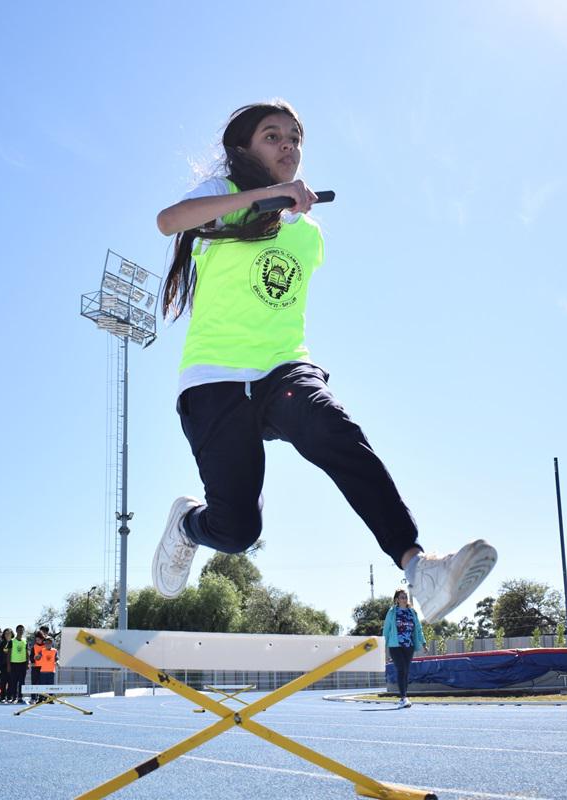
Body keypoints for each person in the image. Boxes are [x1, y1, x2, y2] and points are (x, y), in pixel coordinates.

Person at [148, 101, 497, 624]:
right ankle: (188, 525)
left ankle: (418, 567)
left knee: (334, 431)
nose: (288, 145)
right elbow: (168, 220)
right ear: (243, 149)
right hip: (215, 378)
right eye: (272, 136)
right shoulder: (222, 199)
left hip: (284, 368)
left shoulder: (308, 236)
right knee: (239, 530)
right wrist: (267, 197)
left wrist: (284, 208)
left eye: (295, 137)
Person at [383, 588, 426, 708]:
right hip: (395, 646)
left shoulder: (412, 612)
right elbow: (386, 630)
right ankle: (403, 698)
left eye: (405, 597)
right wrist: (383, 648)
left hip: (409, 645)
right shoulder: (392, 612)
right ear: (397, 599)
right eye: (402, 597)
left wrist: (423, 642)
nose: (404, 599)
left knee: (406, 671)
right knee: (401, 669)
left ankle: (404, 696)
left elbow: (418, 628)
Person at [9, 625, 29, 704]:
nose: (21, 631)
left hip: (22, 664)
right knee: (14, 682)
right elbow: (9, 654)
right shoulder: (11, 641)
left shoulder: (25, 641)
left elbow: (27, 652)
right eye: (19, 630)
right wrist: (8, 665)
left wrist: (27, 663)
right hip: (14, 664)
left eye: (22, 630)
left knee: (22, 682)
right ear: (16, 631)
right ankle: (14, 697)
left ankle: (20, 697)